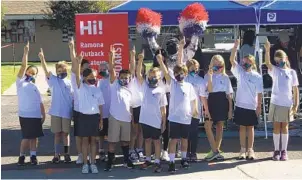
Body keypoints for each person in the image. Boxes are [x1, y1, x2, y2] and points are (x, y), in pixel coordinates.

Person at [157, 50, 198, 173]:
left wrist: (194, 110)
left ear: (185, 74)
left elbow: (193, 99)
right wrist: (160, 60)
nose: (179, 75)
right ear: (174, 74)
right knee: (173, 140)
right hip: (174, 118)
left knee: (185, 139)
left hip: (186, 117)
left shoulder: (189, 86)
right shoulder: (173, 84)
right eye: (177, 73)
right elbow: (165, 72)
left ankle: (184, 159)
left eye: (181, 73)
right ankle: (171, 161)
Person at [264, 40, 299, 161]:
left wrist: (296, 105)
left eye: (281, 59)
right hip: (275, 102)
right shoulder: (275, 71)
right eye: (277, 61)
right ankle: (276, 150)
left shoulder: (292, 72)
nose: (279, 62)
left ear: (286, 58)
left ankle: (284, 150)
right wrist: (267, 50)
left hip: (287, 103)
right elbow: (267, 63)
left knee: (285, 127)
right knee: (276, 127)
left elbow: (295, 90)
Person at [38, 48, 73, 164]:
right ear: (56, 71)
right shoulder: (53, 80)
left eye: (63, 70)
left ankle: (67, 154)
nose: (61, 72)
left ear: (66, 70)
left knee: (66, 134)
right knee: (57, 134)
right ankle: (56, 154)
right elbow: (46, 70)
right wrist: (42, 59)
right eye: (59, 70)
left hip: (67, 112)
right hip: (56, 112)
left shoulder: (69, 82)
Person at [230, 39, 263, 160]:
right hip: (240, 105)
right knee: (242, 127)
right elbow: (232, 61)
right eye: (243, 63)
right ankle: (242, 150)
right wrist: (235, 47)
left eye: (247, 63)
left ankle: (250, 149)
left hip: (251, 106)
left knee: (250, 128)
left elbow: (259, 92)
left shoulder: (257, 76)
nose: (245, 65)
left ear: (252, 63)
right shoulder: (240, 72)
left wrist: (259, 106)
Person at [136, 50, 168, 173]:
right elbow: (138, 74)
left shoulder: (161, 90)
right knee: (147, 140)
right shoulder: (144, 85)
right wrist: (140, 60)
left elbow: (163, 108)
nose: (153, 77)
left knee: (157, 141)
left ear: (159, 77)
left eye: (155, 76)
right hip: (144, 119)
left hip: (156, 120)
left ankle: (157, 161)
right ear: (148, 76)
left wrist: (164, 122)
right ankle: (148, 160)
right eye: (151, 75)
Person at [104, 45, 135, 171]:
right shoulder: (114, 85)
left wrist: (133, 55)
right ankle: (110, 162)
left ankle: (126, 161)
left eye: (126, 78)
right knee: (112, 142)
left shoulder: (130, 87)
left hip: (126, 119)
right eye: (121, 78)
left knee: (125, 142)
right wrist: (111, 56)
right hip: (114, 118)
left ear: (129, 79)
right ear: (118, 78)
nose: (124, 79)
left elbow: (132, 70)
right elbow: (111, 70)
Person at [74, 55, 105, 174]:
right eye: (91, 77)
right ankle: (85, 164)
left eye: (95, 77)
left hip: (94, 118)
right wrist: (78, 62)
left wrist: (101, 119)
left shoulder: (97, 89)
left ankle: (93, 163)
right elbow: (77, 76)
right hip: (83, 117)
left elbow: (100, 106)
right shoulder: (80, 87)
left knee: (94, 141)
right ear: (85, 77)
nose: (93, 79)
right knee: (85, 141)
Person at [17, 42, 45, 166]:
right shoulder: (20, 82)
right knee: (26, 137)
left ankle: (33, 156)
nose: (30, 74)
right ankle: (22, 156)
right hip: (25, 114)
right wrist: (26, 52)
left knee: (34, 137)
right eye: (29, 72)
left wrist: (43, 115)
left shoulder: (35, 87)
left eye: (33, 73)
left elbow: (40, 101)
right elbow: (23, 65)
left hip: (35, 115)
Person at [203, 55, 233, 161]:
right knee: (208, 125)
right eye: (215, 65)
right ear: (211, 65)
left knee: (220, 126)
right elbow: (209, 90)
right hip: (211, 100)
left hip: (222, 101)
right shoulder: (207, 76)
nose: (218, 68)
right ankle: (214, 150)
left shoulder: (225, 77)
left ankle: (216, 149)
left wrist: (230, 109)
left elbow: (229, 95)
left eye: (220, 65)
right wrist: (210, 76)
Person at [68, 37, 90, 164]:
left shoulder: (91, 79)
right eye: (84, 67)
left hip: (89, 111)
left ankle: (88, 155)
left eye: (88, 67)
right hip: (78, 110)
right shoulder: (75, 78)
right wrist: (72, 48)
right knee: (78, 135)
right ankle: (80, 155)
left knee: (87, 136)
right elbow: (74, 62)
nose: (87, 69)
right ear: (80, 68)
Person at [185, 59, 207, 162]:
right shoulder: (184, 79)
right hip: (184, 110)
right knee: (186, 133)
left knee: (194, 132)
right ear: (188, 68)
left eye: (196, 68)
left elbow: (202, 97)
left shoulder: (201, 80)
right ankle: (185, 153)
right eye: (193, 68)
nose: (195, 69)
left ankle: (193, 153)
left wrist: (206, 109)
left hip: (195, 111)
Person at [128, 46, 145, 163]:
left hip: (143, 108)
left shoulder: (145, 81)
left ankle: (139, 149)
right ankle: (131, 150)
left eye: (142, 70)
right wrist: (134, 56)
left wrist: (141, 61)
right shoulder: (132, 79)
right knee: (134, 131)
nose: (140, 72)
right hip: (133, 107)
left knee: (141, 131)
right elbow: (134, 69)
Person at [97, 62, 111, 162]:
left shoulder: (113, 80)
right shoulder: (99, 82)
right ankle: (101, 151)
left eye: (104, 69)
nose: (102, 71)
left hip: (112, 113)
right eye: (100, 70)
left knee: (111, 135)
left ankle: (111, 153)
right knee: (101, 134)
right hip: (102, 113)